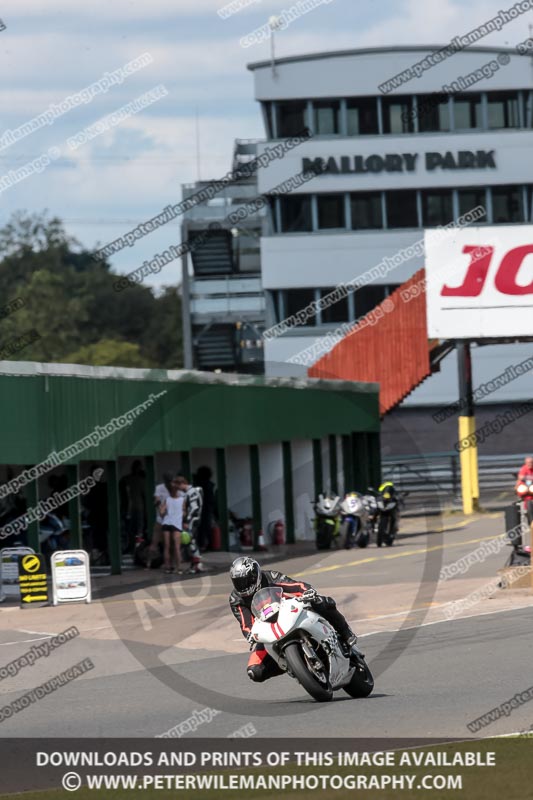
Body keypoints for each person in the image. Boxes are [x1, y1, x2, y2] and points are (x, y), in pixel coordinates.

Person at [229, 556, 357, 683]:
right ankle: (293, 666)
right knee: (255, 671)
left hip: (288, 609)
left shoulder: (270, 577)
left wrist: (307, 591)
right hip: (266, 626)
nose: (242, 586)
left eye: (245, 581)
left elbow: (295, 586)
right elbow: (245, 623)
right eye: (238, 582)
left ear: (254, 575)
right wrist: (250, 634)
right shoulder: (236, 598)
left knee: (321, 601)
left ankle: (346, 633)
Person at [177, 474, 205, 573]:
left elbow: (194, 508)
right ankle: (196, 564)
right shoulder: (192, 492)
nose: (179, 490)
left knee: (190, 541)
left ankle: (197, 564)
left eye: (179, 487)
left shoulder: (191, 493)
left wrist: (186, 520)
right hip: (194, 519)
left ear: (182, 484)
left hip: (193, 520)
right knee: (191, 541)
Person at [158, 475, 185, 574]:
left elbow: (161, 513)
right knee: (177, 547)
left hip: (166, 523)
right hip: (176, 524)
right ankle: (179, 567)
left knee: (167, 546)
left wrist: (161, 509)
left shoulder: (167, 500)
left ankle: (168, 567)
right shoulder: (182, 500)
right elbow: (185, 513)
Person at [146, 472, 173, 569]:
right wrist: (159, 505)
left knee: (167, 544)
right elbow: (156, 500)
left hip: (169, 519)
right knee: (156, 542)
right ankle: (149, 563)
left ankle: (168, 564)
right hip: (162, 519)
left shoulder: (173, 488)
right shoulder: (160, 488)